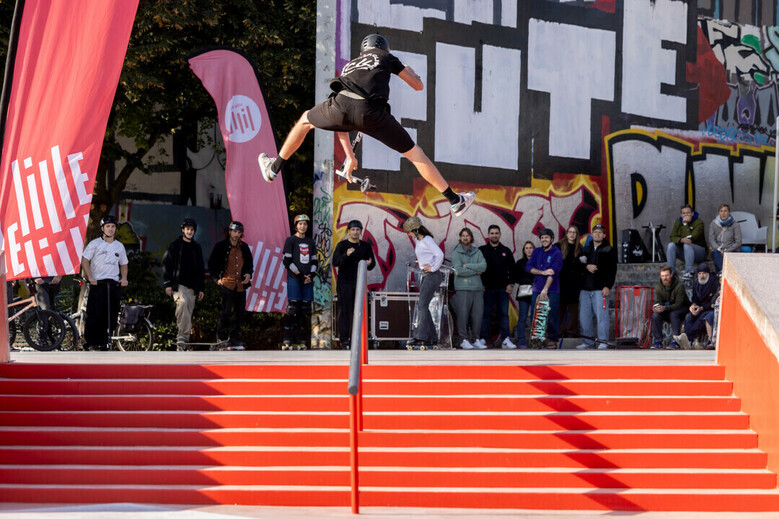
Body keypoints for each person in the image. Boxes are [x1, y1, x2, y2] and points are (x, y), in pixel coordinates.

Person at [258, 33, 475, 218]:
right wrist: (409, 69)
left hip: (340, 106)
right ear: (383, 48)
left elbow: (341, 119)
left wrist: (349, 156)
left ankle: (274, 167)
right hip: (372, 113)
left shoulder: (350, 66)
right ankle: (454, 200)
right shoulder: (387, 56)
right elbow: (417, 85)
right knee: (415, 154)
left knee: (305, 119)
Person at [80, 215, 129, 351]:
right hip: (98, 283)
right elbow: (85, 260)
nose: (110, 229)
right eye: (108, 226)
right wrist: (90, 277)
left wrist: (124, 278)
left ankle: (105, 341)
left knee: (111, 314)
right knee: (95, 313)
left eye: (113, 226)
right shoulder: (95, 244)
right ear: (102, 228)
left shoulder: (119, 246)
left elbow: (124, 264)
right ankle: (91, 342)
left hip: (113, 283)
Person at [208, 221, 254, 347]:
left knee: (240, 313)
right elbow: (212, 263)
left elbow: (250, 264)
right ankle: (221, 338)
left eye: (239, 232)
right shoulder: (221, 246)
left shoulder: (244, 247)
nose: (236, 234)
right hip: (227, 282)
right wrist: (216, 278)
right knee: (226, 312)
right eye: (234, 231)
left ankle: (234, 338)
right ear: (229, 232)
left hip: (240, 284)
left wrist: (249, 274)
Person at [162, 218, 206, 350]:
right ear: (183, 230)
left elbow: (200, 269)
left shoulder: (196, 248)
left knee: (187, 311)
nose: (189, 232)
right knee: (182, 304)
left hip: (192, 287)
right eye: (187, 229)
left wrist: (201, 288)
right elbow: (166, 264)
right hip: (178, 285)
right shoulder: (174, 245)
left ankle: (183, 342)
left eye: (192, 230)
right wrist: (167, 284)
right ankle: (182, 338)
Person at [332, 219, 376, 350]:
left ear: (361, 231)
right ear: (348, 231)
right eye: (353, 230)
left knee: (360, 311)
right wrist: (346, 255)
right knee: (345, 311)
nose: (355, 232)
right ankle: (344, 340)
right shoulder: (342, 245)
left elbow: (372, 263)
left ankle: (358, 339)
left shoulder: (365, 246)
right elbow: (335, 262)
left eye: (357, 230)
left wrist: (369, 264)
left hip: (359, 282)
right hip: (344, 282)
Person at [402, 217, 444, 348]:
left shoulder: (427, 240)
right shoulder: (418, 240)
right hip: (426, 275)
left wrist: (433, 267)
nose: (408, 234)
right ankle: (432, 337)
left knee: (421, 305)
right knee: (423, 305)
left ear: (415, 230)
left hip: (432, 275)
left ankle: (421, 336)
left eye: (409, 232)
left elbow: (440, 254)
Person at [576, 224, 617, 350]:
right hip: (585, 289)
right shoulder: (586, 249)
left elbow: (612, 270)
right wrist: (586, 266)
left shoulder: (609, 249)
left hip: (600, 289)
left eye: (600, 232)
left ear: (604, 235)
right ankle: (588, 342)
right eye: (595, 232)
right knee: (584, 318)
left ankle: (603, 341)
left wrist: (608, 286)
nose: (597, 234)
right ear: (592, 234)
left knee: (602, 317)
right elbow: (577, 265)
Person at [282, 214, 318, 350]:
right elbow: (287, 261)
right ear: (296, 225)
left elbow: (314, 261)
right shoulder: (291, 240)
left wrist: (311, 275)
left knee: (304, 309)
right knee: (293, 308)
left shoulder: (310, 242)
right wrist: (301, 274)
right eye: (300, 224)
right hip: (295, 277)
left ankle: (297, 336)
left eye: (305, 224)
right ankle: (287, 336)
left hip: (307, 278)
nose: (303, 226)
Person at [478, 225, 516, 349]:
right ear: (488, 235)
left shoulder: (506, 250)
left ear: (500, 234)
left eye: (496, 233)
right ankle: (482, 339)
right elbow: (477, 269)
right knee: (486, 315)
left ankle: (506, 339)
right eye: (492, 233)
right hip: (487, 289)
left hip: (503, 290)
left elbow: (513, 269)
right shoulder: (482, 250)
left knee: (504, 315)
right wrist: (481, 284)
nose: (494, 235)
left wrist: (511, 284)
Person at [526, 229, 563, 349]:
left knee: (552, 315)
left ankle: (553, 339)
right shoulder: (536, 251)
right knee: (536, 316)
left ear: (552, 239)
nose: (544, 240)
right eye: (542, 238)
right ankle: (537, 340)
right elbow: (528, 267)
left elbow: (552, 273)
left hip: (552, 290)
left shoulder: (557, 253)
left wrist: (545, 289)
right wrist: (542, 272)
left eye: (547, 237)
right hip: (537, 288)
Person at [451, 227, 487, 350]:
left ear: (471, 237)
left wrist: (468, 266)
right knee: (463, 315)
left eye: (467, 235)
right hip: (463, 288)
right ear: (460, 238)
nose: (465, 238)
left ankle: (476, 339)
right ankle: (463, 339)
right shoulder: (457, 252)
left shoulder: (477, 251)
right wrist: (475, 271)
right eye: (463, 236)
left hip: (477, 288)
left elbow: (483, 267)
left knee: (478, 315)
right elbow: (459, 271)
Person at [674, 263, 719, 350]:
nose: (702, 276)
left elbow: (714, 301)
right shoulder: (696, 283)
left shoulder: (714, 283)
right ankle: (689, 341)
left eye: (704, 273)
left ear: (708, 274)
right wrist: (693, 306)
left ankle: (687, 338)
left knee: (703, 317)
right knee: (689, 316)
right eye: (700, 274)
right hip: (699, 308)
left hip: (710, 308)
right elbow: (695, 298)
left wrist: (702, 308)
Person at [651, 265, 690, 349]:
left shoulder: (679, 286)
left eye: (667, 276)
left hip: (682, 308)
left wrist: (664, 308)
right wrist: (657, 307)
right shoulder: (658, 287)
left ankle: (675, 341)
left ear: (671, 275)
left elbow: (679, 304)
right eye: (662, 276)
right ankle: (658, 341)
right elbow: (659, 302)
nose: (665, 278)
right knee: (656, 315)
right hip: (668, 309)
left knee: (673, 314)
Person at [557, 225, 584, 338]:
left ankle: (571, 331)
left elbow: (582, 266)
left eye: (575, 232)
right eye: (570, 232)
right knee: (560, 307)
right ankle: (559, 330)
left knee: (573, 308)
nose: (572, 234)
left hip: (574, 282)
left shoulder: (580, 248)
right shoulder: (558, 246)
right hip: (561, 281)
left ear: (577, 235)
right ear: (567, 233)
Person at [666, 204, 706, 279]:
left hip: (699, 252)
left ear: (692, 213)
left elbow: (691, 238)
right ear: (681, 214)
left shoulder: (699, 223)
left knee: (687, 244)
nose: (686, 215)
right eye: (684, 213)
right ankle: (671, 272)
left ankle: (689, 271)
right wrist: (680, 240)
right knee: (671, 245)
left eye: (688, 213)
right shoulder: (678, 221)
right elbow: (672, 236)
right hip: (685, 252)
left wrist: (685, 225)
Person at [512, 241, 535, 349]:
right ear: (524, 250)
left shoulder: (538, 262)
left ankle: (535, 340)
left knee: (536, 318)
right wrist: (528, 281)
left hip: (536, 292)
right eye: (527, 248)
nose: (529, 250)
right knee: (523, 317)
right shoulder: (520, 263)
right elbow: (516, 277)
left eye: (531, 248)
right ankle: (521, 340)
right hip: (524, 293)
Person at [707, 203, 741, 275]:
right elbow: (711, 239)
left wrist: (727, 250)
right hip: (718, 250)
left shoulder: (735, 224)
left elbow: (738, 242)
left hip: (731, 250)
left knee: (723, 259)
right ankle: (724, 272)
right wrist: (719, 249)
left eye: (725, 211)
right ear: (719, 212)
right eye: (721, 211)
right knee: (716, 254)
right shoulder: (713, 224)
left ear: (729, 212)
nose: (723, 213)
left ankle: (721, 274)